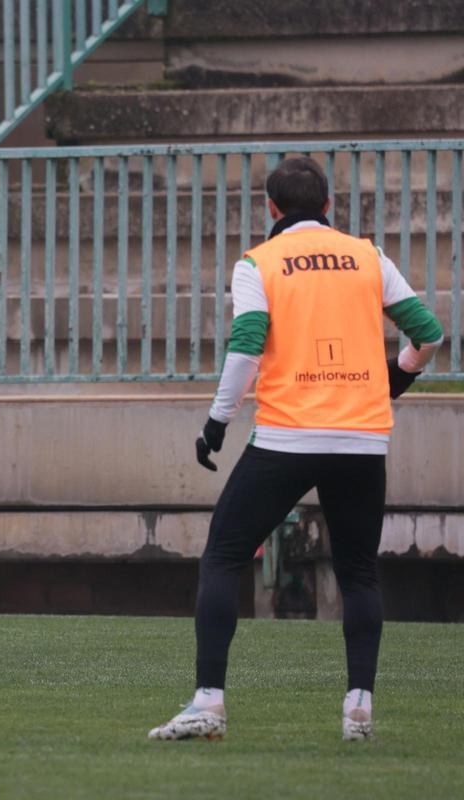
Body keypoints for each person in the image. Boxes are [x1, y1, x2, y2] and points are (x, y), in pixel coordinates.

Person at [149, 157, 443, 742]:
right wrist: (397, 378)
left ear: (271, 208)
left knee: (224, 558)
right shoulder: (367, 255)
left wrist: (217, 421)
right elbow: (429, 333)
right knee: (359, 572)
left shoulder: (259, 262)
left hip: (288, 433)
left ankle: (209, 702)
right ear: (329, 206)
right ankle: (358, 706)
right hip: (362, 436)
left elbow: (246, 348)